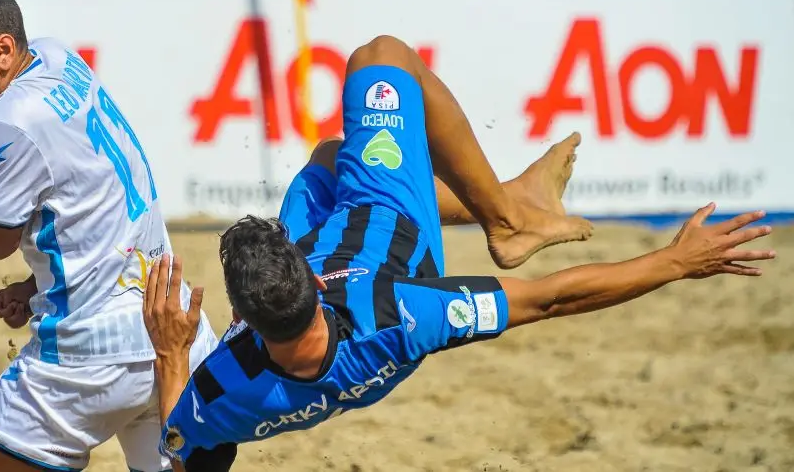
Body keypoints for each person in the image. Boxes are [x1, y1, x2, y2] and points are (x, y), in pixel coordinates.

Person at [140, 35, 775, 472]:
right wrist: (677, 261)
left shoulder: (221, 393)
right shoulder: (406, 315)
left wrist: (172, 353)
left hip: (321, 270)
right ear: (305, 276)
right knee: (381, 56)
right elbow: (553, 298)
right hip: (387, 231)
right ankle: (507, 215)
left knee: (325, 162)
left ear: (243, 318)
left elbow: (180, 445)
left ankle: (516, 201)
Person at [0, 0, 219, 472]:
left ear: (3, 50)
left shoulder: (8, 119)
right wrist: (39, 281)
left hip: (91, 358)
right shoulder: (59, 58)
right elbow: (99, 199)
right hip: (172, 326)